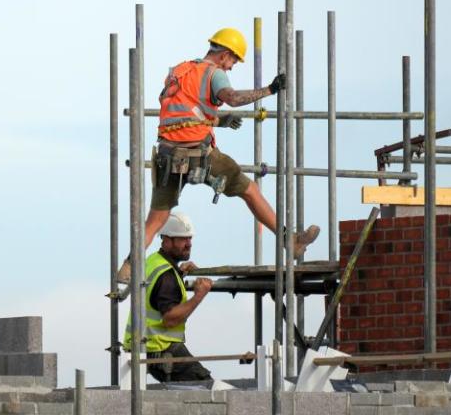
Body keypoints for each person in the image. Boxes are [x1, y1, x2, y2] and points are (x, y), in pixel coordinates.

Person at [119, 27, 319, 283]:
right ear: (224, 54)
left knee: (155, 220)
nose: (232, 67)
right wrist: (270, 89)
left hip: (168, 154)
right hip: (198, 154)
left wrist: (219, 121)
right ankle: (289, 241)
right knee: (250, 190)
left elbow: (185, 110)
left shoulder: (179, 71)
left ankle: (128, 267)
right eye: (234, 60)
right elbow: (233, 98)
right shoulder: (215, 74)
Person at [123, 212, 214, 383]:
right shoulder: (166, 275)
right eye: (182, 239)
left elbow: (158, 294)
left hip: (143, 347)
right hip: (160, 349)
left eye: (189, 238)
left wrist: (179, 272)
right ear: (166, 240)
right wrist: (198, 296)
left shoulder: (154, 261)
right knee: (207, 389)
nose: (189, 244)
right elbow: (170, 319)